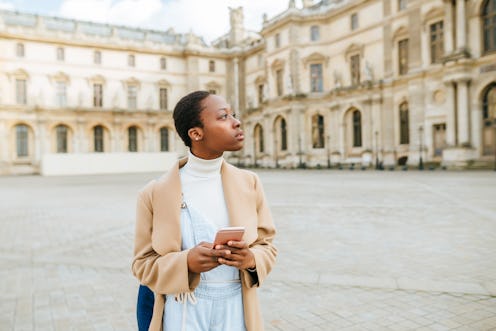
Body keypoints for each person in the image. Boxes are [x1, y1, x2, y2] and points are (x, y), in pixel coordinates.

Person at [132, 90, 277, 331]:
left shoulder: (249, 182)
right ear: (196, 133)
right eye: (223, 117)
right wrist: (185, 262)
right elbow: (142, 265)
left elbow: (268, 247)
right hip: (182, 310)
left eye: (233, 114)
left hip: (236, 310)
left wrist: (250, 259)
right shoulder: (154, 193)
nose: (236, 121)